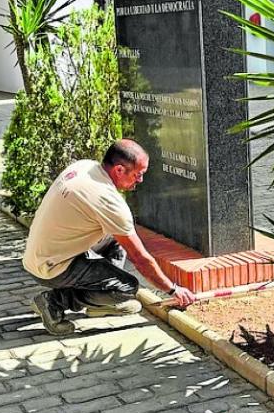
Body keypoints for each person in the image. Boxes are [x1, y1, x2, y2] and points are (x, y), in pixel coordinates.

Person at [24, 139, 196, 335]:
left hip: (39, 255)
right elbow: (140, 259)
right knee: (127, 288)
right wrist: (173, 290)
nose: (140, 181)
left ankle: (103, 300)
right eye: (138, 174)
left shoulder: (85, 166)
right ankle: (54, 301)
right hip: (51, 268)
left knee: (119, 236)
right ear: (120, 170)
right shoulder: (107, 201)